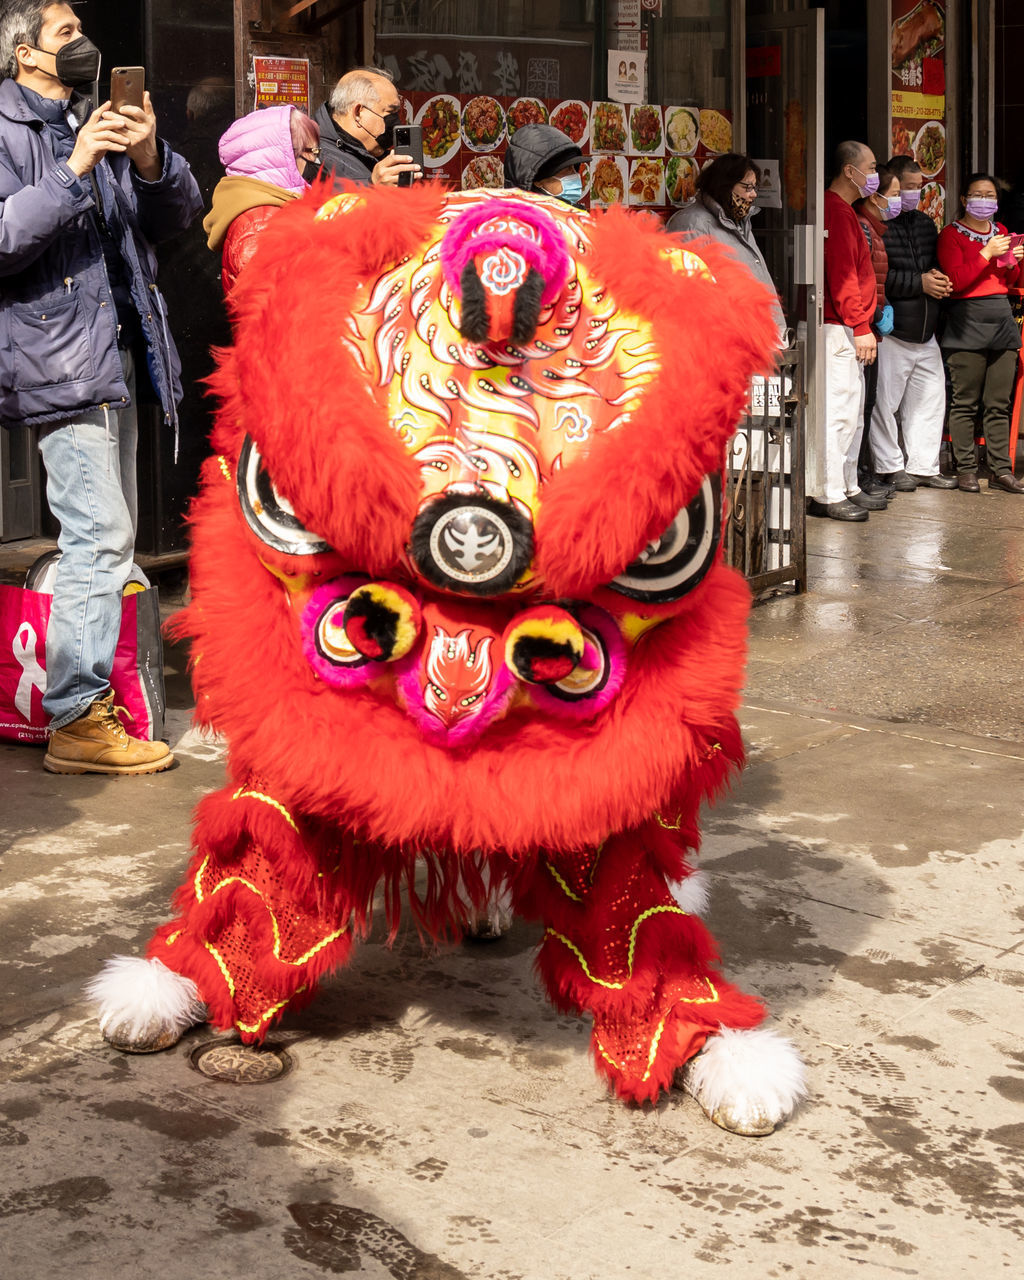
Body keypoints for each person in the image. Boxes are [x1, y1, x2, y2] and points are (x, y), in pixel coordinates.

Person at [0, 0, 202, 774]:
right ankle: (79, 720)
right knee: (101, 538)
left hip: (119, 355)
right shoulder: (14, 130)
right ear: (24, 56)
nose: (82, 43)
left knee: (104, 542)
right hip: (58, 363)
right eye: (63, 34)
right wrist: (74, 166)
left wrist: (150, 155)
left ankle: (91, 706)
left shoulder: (97, 115)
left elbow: (174, 214)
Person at [868, 156, 956, 492]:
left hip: (926, 331)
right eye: (907, 188)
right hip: (893, 332)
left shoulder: (924, 223)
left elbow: (931, 264)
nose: (913, 194)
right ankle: (890, 467)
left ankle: (923, 466)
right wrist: (918, 283)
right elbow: (879, 277)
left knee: (931, 401)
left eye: (918, 188)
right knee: (884, 405)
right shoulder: (878, 226)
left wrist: (937, 278)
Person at [937, 172, 1024, 493]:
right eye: (978, 195)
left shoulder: (1001, 231)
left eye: (990, 196)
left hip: (1001, 317)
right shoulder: (951, 235)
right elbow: (956, 281)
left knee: (998, 402)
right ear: (963, 200)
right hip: (967, 319)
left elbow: (1010, 278)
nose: (984, 201)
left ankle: (1001, 469)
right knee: (965, 403)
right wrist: (986, 254)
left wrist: (1013, 260)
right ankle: (966, 469)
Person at [808, 141, 881, 522]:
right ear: (849, 170)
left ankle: (847, 484)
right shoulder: (834, 211)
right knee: (837, 413)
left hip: (848, 325)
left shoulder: (844, 210)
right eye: (870, 167)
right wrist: (860, 324)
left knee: (852, 413)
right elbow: (842, 276)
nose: (874, 175)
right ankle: (828, 491)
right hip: (840, 326)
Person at [666, 152, 786, 345]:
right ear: (724, 186)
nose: (753, 194)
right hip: (727, 345)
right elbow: (687, 294)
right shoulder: (692, 223)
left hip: (758, 340)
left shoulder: (740, 222)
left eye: (755, 188)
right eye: (747, 187)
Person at [203, 104, 320, 294]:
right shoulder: (261, 225)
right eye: (313, 152)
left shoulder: (273, 210)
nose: (317, 161)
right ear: (286, 157)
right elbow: (280, 308)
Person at [852, 163, 900, 503]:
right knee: (859, 407)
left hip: (872, 326)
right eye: (894, 195)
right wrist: (865, 322)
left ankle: (862, 473)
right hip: (862, 330)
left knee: (866, 405)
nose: (896, 202)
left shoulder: (877, 230)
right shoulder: (862, 228)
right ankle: (857, 475)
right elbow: (857, 281)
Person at [310, 66, 418, 188]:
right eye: (390, 112)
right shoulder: (312, 157)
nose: (396, 122)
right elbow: (325, 204)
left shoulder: (372, 152)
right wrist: (372, 186)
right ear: (358, 113)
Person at [503, 122, 591, 205]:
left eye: (574, 168)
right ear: (538, 182)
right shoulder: (519, 220)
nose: (576, 175)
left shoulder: (571, 216)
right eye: (567, 169)